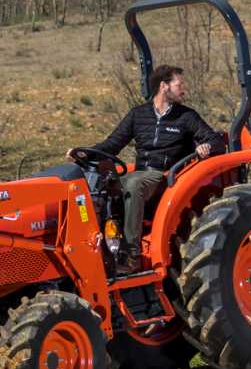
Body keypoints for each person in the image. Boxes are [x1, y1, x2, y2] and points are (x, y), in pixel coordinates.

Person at [71, 65, 222, 271]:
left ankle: (131, 254)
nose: (184, 89)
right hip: (141, 173)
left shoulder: (186, 116)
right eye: (180, 84)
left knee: (134, 183)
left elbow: (215, 141)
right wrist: (85, 153)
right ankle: (98, 249)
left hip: (165, 177)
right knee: (100, 186)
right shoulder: (138, 115)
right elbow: (112, 144)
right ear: (164, 86)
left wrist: (207, 147)